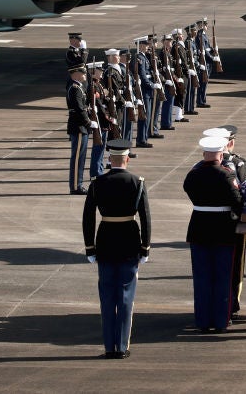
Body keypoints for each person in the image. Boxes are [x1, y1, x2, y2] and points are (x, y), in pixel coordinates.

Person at [82, 139, 151, 359]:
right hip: (129, 241)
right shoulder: (137, 182)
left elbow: (88, 218)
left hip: (105, 240)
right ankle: (121, 346)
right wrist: (145, 247)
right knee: (125, 296)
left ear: (109, 159)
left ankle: (109, 346)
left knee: (107, 296)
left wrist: (90, 247)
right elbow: (145, 218)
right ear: (127, 159)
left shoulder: (98, 183)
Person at [183, 135, 243, 332]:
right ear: (221, 154)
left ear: (203, 154)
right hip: (222, 230)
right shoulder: (227, 175)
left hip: (199, 228)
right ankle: (220, 321)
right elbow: (237, 201)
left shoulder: (193, 175)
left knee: (202, 278)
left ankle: (202, 321)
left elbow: (188, 189)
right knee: (223, 278)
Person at [67, 65, 95, 194]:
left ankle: (78, 184)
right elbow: (79, 109)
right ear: (76, 73)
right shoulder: (75, 88)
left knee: (81, 158)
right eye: (82, 72)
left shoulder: (79, 87)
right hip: (78, 126)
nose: (85, 74)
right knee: (78, 158)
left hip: (81, 126)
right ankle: (75, 186)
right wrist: (88, 122)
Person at [134, 37, 155, 148]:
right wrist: (151, 84)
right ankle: (141, 140)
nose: (148, 46)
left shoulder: (144, 57)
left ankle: (144, 138)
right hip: (144, 90)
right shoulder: (139, 58)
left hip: (147, 89)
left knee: (147, 114)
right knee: (144, 115)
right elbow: (142, 75)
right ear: (141, 45)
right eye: (146, 45)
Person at [194, 19, 213, 108]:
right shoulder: (200, 35)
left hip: (207, 62)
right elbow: (203, 50)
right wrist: (212, 58)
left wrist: (213, 49)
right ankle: (200, 101)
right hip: (204, 61)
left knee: (204, 82)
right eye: (205, 24)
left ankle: (202, 100)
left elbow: (207, 47)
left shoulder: (203, 35)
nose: (206, 26)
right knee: (202, 82)